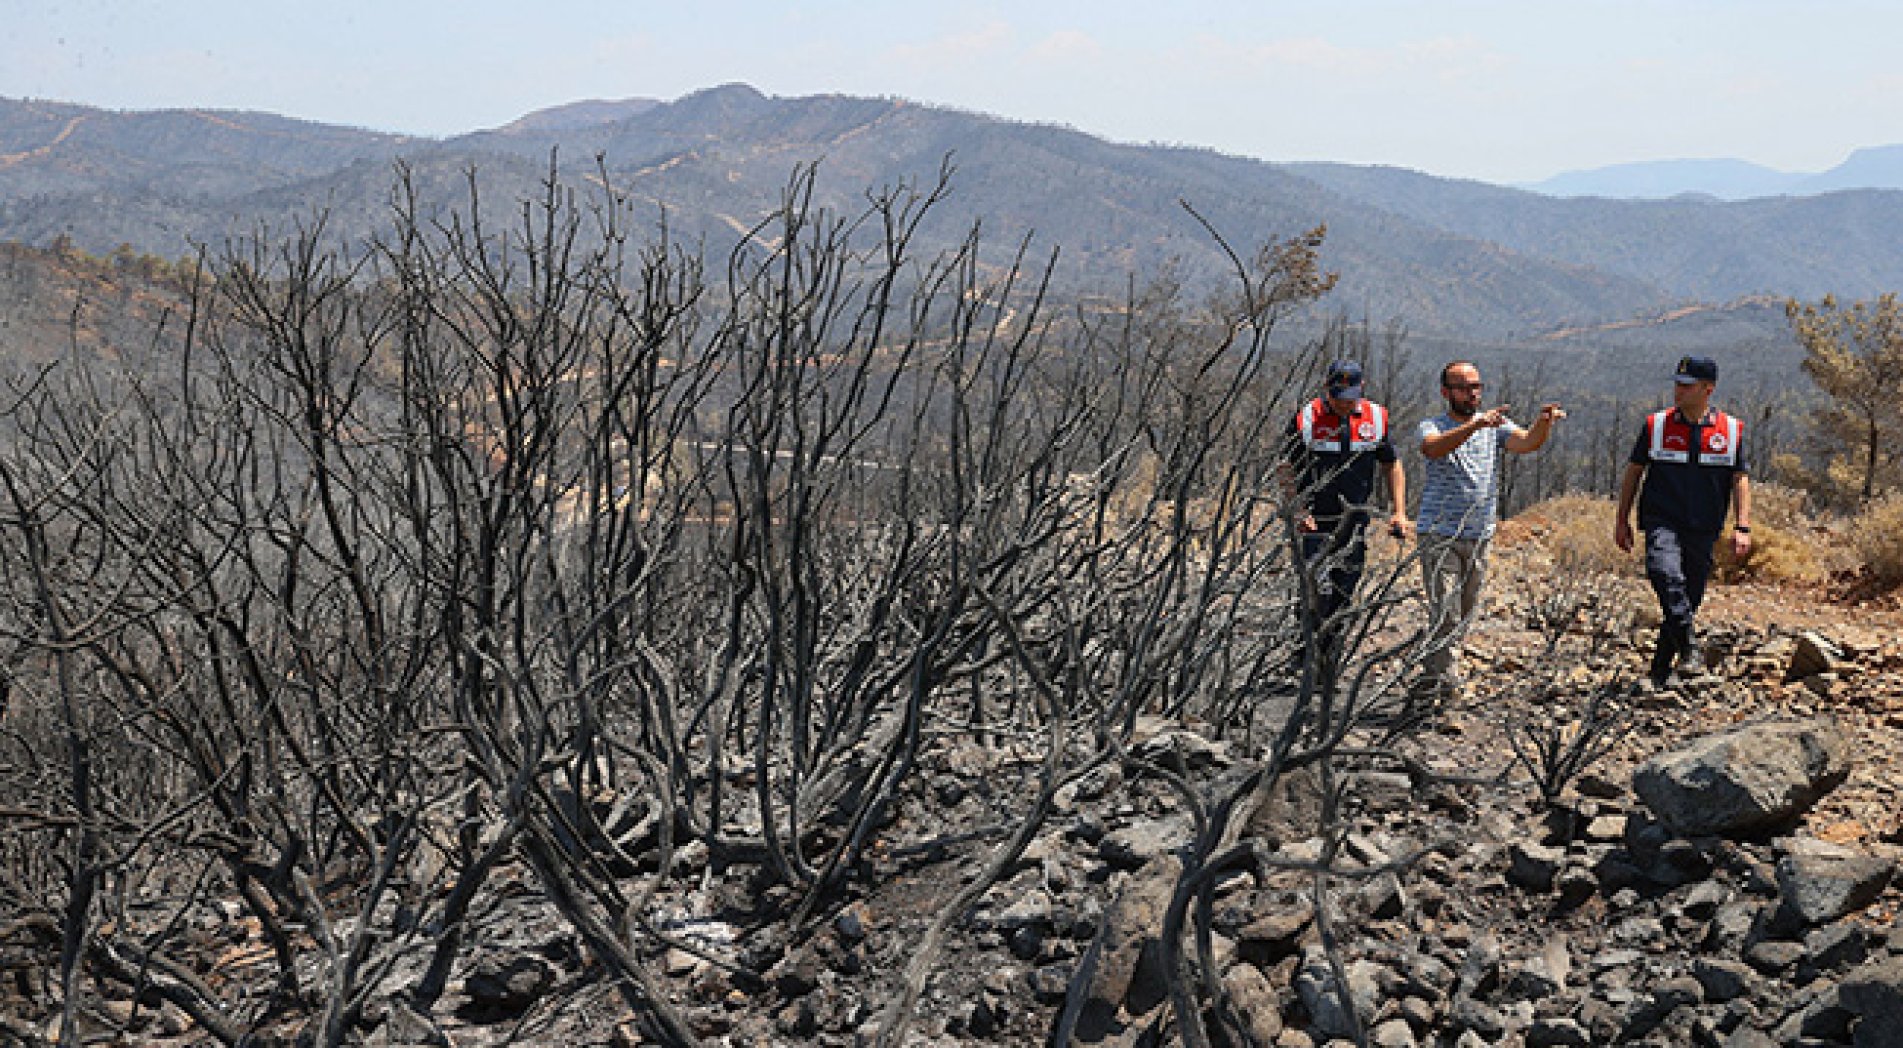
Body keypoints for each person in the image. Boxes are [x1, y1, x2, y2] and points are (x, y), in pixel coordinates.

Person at [1414, 361, 1565, 700]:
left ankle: (1428, 678)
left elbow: (1526, 443)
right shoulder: (1432, 425)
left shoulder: (1494, 426)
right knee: (1447, 612)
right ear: (1446, 392)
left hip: (1479, 534)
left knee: (1463, 614)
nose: (1473, 393)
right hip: (1440, 533)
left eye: (1477, 386)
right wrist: (1475, 426)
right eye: (1465, 387)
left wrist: (1543, 424)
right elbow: (1432, 448)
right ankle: (1449, 691)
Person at [1615, 355, 1753, 687]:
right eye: (1677, 384)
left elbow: (1740, 478)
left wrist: (1742, 526)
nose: (1679, 390)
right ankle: (1690, 649)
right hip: (1662, 519)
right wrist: (1622, 519)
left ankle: (1661, 672)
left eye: (1687, 386)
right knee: (1664, 573)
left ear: (1708, 389)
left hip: (1704, 526)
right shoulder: (1656, 425)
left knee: (1687, 599)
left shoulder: (1730, 430)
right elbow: (1634, 472)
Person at [1282, 360, 1409, 668]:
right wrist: (1298, 510)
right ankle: (1304, 652)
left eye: (1351, 395)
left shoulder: (1375, 418)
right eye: (1339, 395)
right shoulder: (1306, 418)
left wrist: (1399, 511)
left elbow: (1391, 464)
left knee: (1344, 588)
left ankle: (1329, 655)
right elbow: (1286, 468)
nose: (1344, 402)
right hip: (1315, 520)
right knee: (1314, 588)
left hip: (1354, 521)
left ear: (1361, 389)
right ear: (1327, 389)